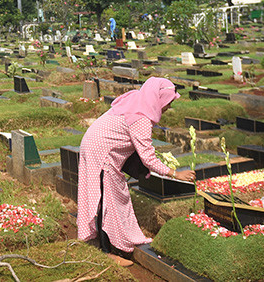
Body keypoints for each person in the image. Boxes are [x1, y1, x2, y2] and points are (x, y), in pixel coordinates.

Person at [77, 77, 195, 255]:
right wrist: (175, 174)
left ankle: (107, 241)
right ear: (158, 99)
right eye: (168, 102)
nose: (169, 107)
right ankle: (107, 251)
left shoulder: (137, 100)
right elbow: (148, 158)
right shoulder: (141, 118)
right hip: (101, 153)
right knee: (109, 197)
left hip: (94, 144)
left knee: (111, 194)